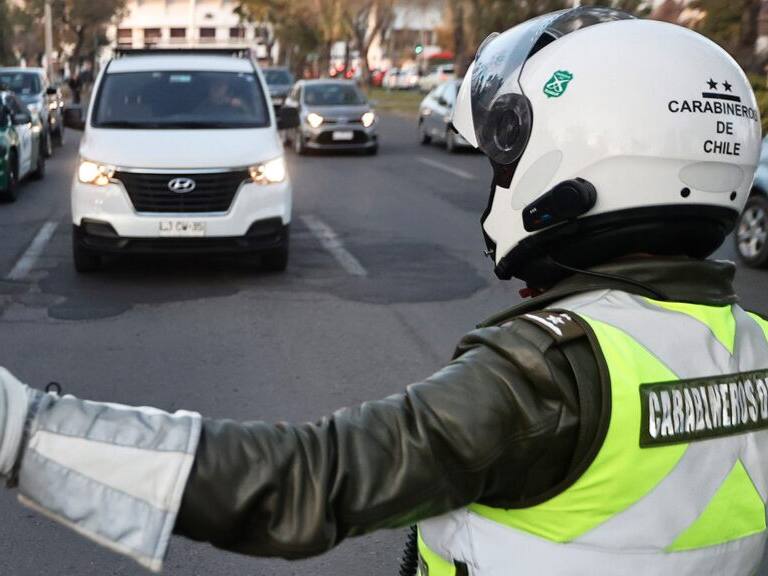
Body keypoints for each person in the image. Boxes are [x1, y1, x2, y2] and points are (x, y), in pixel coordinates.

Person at [0, 7, 766, 575]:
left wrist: (27, 432)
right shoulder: (755, 346)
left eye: (505, 160)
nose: (497, 181)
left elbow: (306, 480)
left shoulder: (545, 375)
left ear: (574, 167)